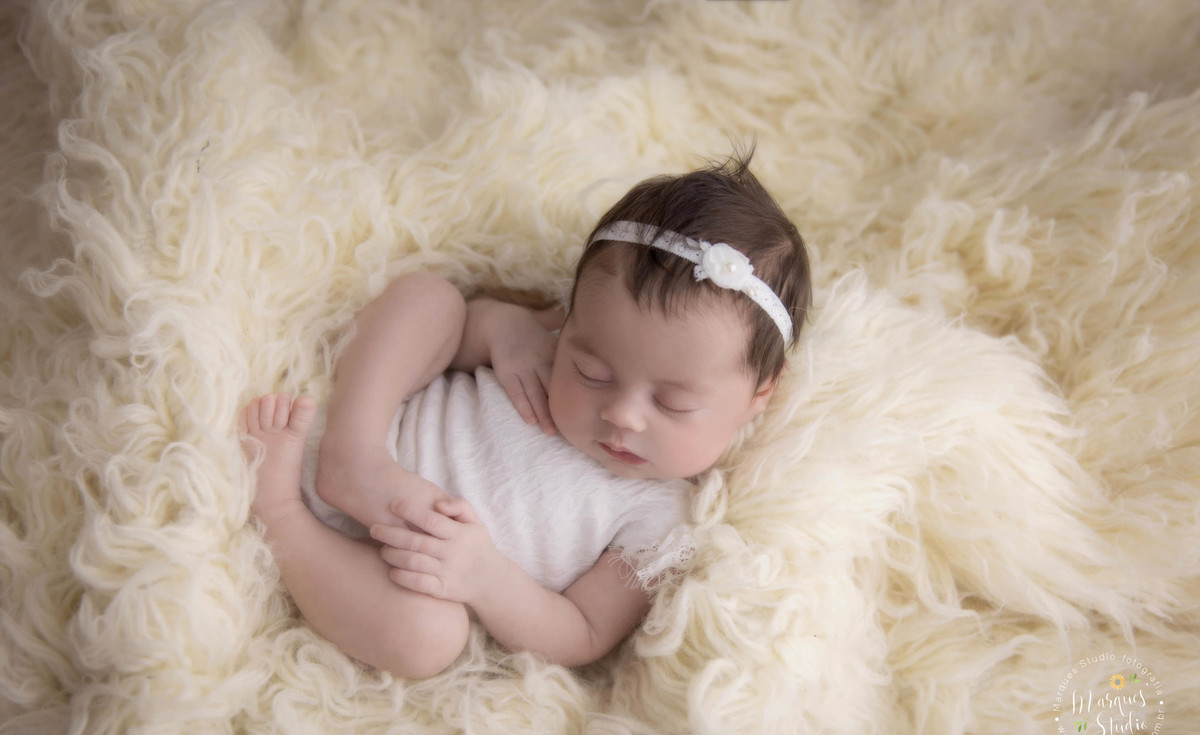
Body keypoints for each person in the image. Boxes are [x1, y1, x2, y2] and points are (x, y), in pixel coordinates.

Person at [238, 152, 811, 679]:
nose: (621, 413)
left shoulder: (663, 521)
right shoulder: (546, 348)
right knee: (430, 299)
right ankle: (352, 450)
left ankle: (281, 514)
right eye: (592, 372)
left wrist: (486, 578)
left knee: (429, 638)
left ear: (758, 395)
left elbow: (583, 633)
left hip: (383, 574)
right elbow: (448, 339)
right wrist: (499, 328)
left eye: (672, 403)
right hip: (366, 436)